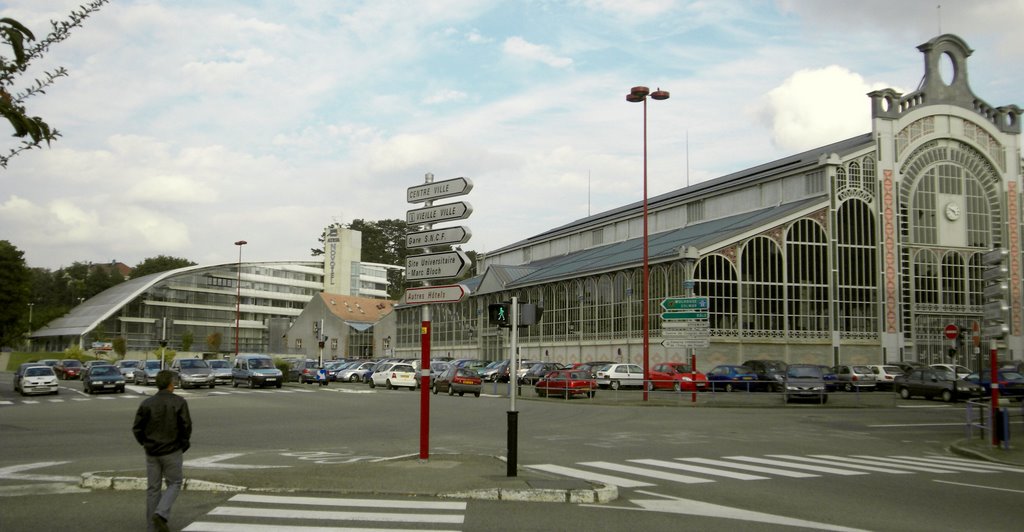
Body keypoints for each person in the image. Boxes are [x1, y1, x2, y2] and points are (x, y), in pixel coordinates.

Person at [132, 369, 192, 532]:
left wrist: (145, 443)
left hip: (152, 451)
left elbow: (137, 428)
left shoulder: (147, 403)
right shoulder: (179, 402)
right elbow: (186, 426)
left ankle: (152, 527)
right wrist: (183, 444)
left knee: (153, 489)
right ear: (171, 384)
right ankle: (161, 513)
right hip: (172, 450)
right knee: (175, 483)